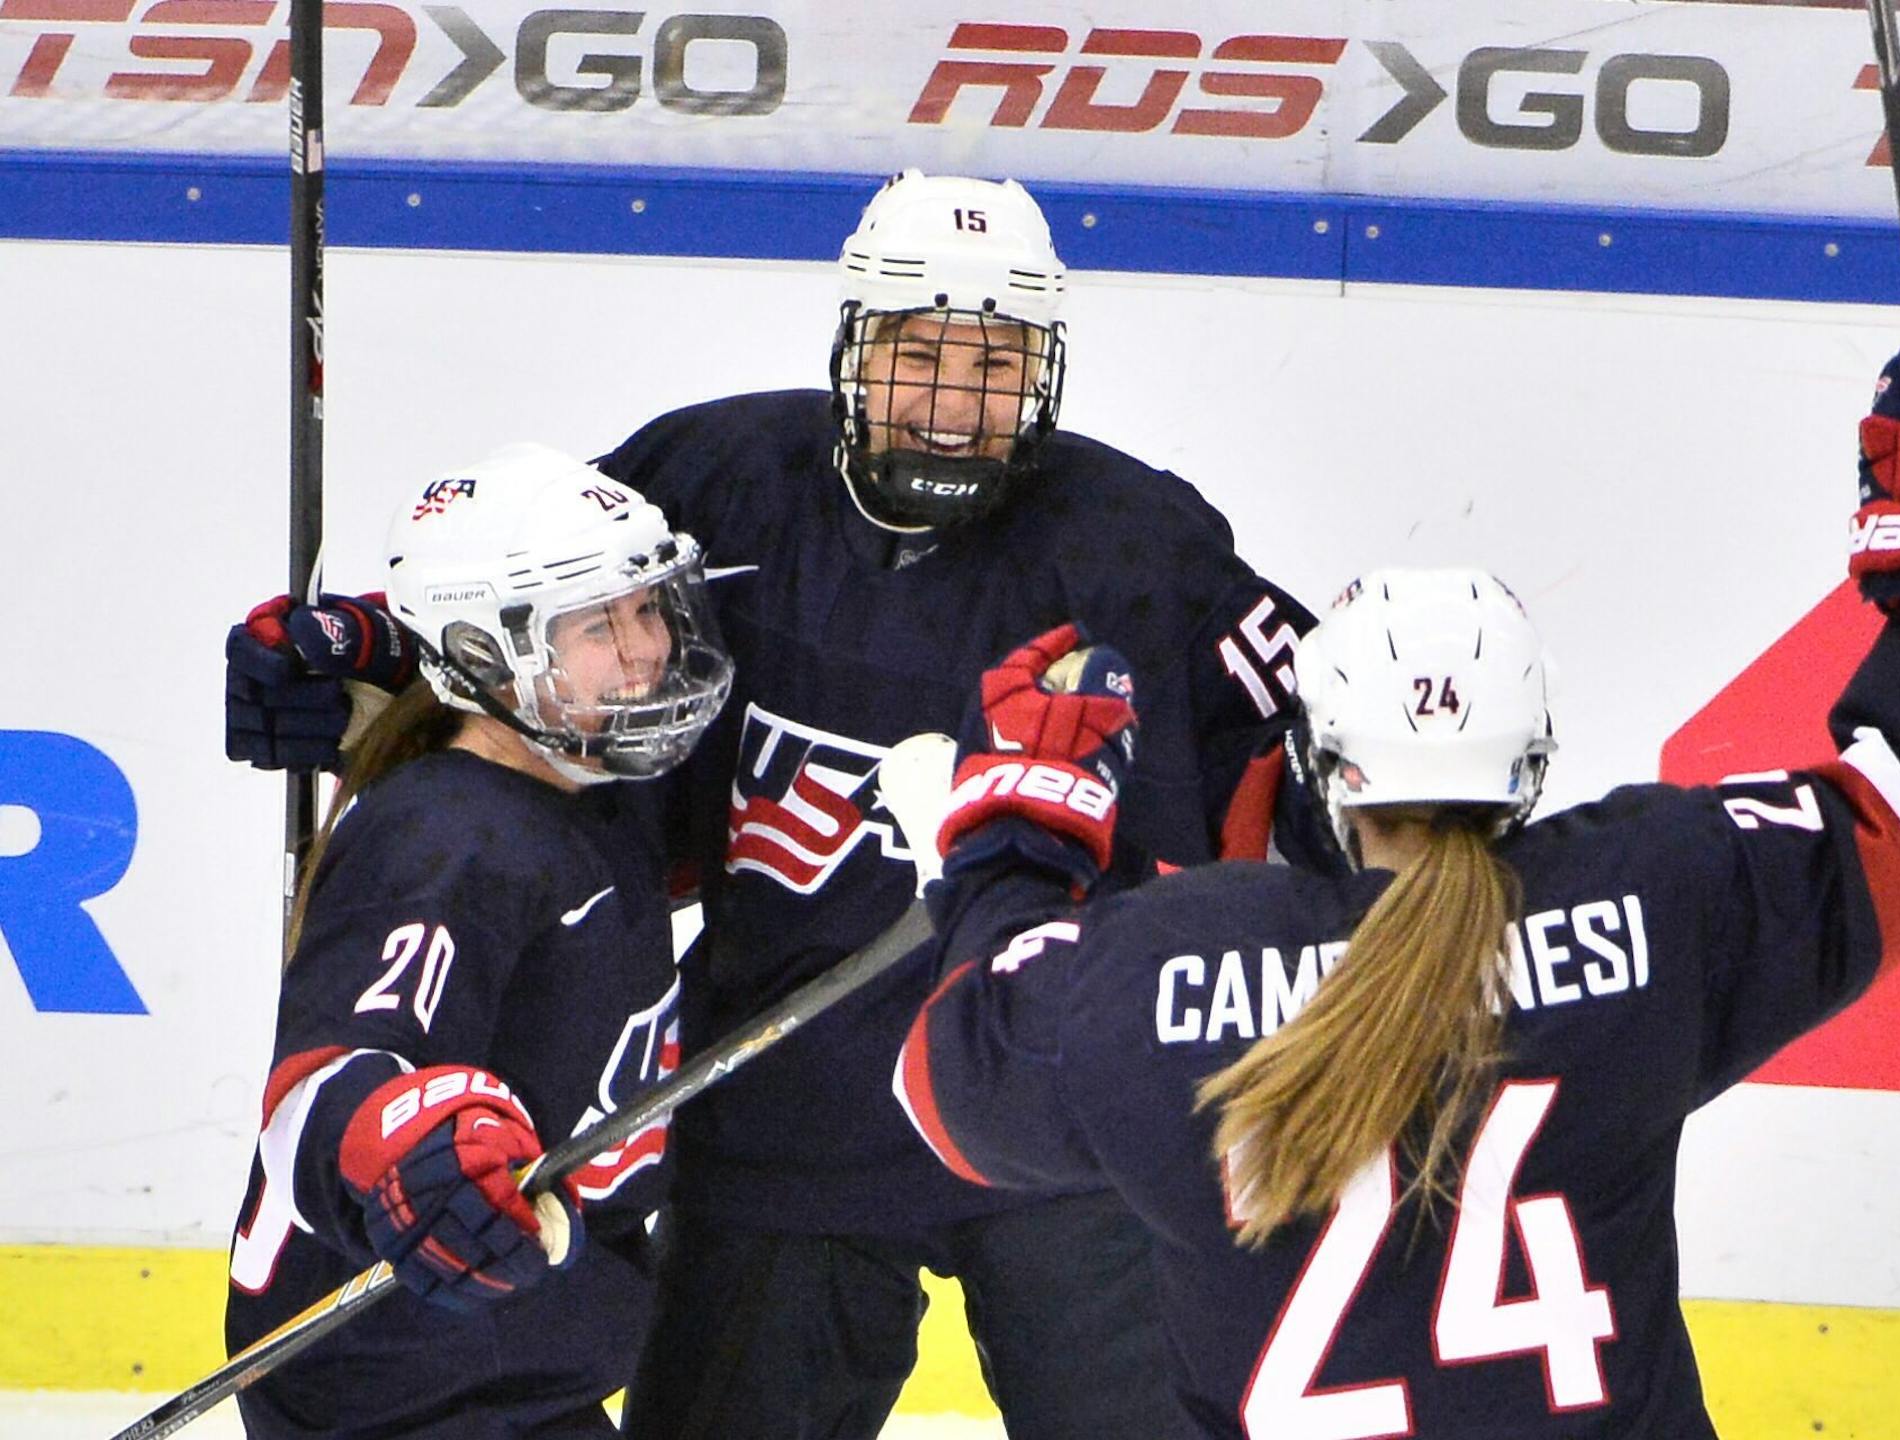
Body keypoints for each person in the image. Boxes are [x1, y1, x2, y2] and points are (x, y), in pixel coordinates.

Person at [224, 170, 1314, 1437]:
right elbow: (524, 605)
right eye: (918, 355)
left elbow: (1307, 753)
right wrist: (358, 651)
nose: (956, 406)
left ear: (1046, 370)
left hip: (1056, 1126)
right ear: (853, 345)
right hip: (781, 1126)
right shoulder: (719, 477)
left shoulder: (1141, 544)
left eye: (996, 364)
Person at [900, 336, 1900, 1436]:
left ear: (1317, 757)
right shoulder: (1657, 897)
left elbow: (947, 1091)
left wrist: (1019, 833)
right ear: (1533, 761)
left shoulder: (1161, 972)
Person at [224, 444, 733, 1438]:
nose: (642, 650)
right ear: (486, 652)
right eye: (595, 626)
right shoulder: (448, 840)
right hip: (393, 1393)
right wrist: (398, 1146)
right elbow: (317, 1093)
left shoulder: (592, 783)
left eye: (644, 609)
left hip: (520, 1377)